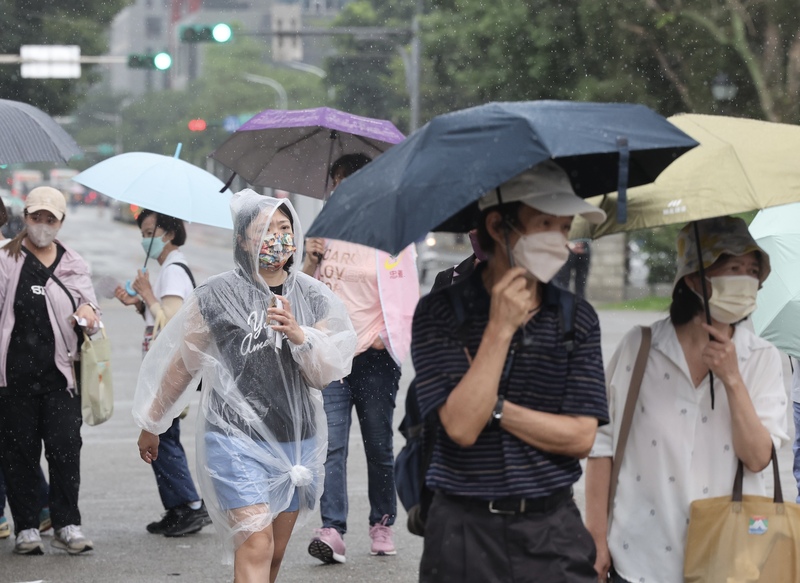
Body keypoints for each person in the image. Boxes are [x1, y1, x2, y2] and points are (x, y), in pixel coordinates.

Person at [133, 191, 356, 582]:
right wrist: (153, 422)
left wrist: (300, 335)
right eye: (265, 230)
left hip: (297, 440)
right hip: (235, 439)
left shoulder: (313, 297)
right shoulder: (217, 295)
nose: (278, 238)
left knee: (274, 554)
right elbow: (182, 365)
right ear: (242, 240)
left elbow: (325, 373)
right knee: (255, 544)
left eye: (284, 228)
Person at [410, 161, 609, 582]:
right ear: (499, 225)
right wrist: (499, 328)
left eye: (565, 226)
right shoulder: (441, 311)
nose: (558, 240)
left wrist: (495, 407)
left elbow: (580, 437)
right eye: (544, 224)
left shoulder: (578, 318)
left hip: (551, 528)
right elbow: (462, 426)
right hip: (462, 530)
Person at [585, 216, 789, 583]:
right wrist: (596, 537)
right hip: (638, 559)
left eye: (752, 269)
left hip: (727, 560)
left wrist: (732, 380)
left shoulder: (762, 358)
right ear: (695, 278)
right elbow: (602, 445)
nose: (746, 279)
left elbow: (759, 457)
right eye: (732, 268)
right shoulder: (641, 347)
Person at [303, 153, 420, 563]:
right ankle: (332, 528)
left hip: (375, 360)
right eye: (338, 185)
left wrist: (382, 340)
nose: (344, 192)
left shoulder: (390, 235)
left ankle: (382, 521)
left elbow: (407, 296)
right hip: (332, 358)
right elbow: (305, 295)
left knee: (377, 444)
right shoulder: (324, 234)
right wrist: (310, 259)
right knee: (332, 444)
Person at [0, 187, 101, 555]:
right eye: (35, 217)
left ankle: (67, 524)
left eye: (50, 219)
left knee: (65, 451)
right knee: (19, 453)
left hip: (61, 378)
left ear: (61, 222)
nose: (42, 226)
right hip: (14, 378)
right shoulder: (6, 259)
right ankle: (26, 526)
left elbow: (89, 306)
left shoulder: (73, 262)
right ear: (24, 217)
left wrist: (89, 315)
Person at [114, 209, 211, 536]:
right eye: (142, 233)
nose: (145, 239)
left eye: (150, 232)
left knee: (161, 437)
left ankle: (191, 506)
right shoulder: (168, 268)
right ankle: (177, 506)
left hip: (169, 371)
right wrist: (139, 303)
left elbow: (170, 323)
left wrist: (148, 294)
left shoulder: (173, 271)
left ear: (168, 233)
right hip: (164, 368)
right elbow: (158, 316)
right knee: (162, 437)